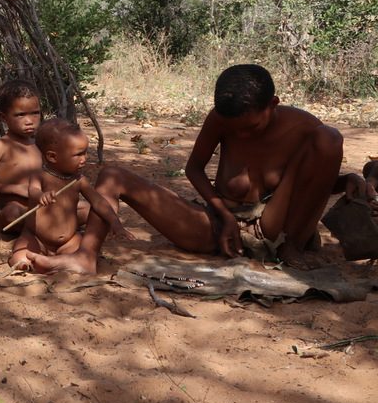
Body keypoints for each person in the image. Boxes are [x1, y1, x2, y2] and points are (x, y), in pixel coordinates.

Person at [23, 64, 344, 274]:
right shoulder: (222, 118)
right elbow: (194, 169)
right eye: (236, 129)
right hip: (219, 224)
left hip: (274, 230)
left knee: (330, 139)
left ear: (272, 105)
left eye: (251, 127)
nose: (242, 135)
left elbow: (311, 183)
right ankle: (85, 257)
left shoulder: (305, 130)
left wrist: (347, 181)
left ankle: (291, 250)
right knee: (112, 175)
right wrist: (226, 215)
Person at [9, 119, 125, 270]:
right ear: (52, 157)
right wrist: (41, 196)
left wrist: (114, 222)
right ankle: (26, 264)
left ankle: (58, 262)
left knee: (81, 252)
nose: (84, 159)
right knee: (20, 254)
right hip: (36, 237)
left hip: (68, 240)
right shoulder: (40, 175)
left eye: (85, 153)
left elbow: (98, 202)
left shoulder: (79, 180)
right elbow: (33, 191)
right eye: (78, 154)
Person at [0, 79, 42, 235]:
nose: (29, 121)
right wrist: (16, 189)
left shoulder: (40, 144)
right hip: (11, 212)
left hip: (39, 207)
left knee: (85, 209)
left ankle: (42, 226)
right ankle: (40, 229)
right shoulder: (1, 146)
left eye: (35, 113)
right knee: (12, 214)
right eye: (20, 115)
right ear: (3, 117)